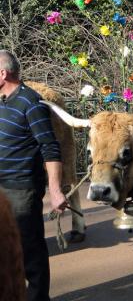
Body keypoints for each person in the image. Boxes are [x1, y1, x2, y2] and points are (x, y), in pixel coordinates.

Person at [0, 50, 68, 301]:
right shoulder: (1, 101)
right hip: (1, 187)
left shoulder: (31, 102)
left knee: (29, 248)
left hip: (22, 190)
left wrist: (55, 190)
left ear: (3, 73)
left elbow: (50, 147)